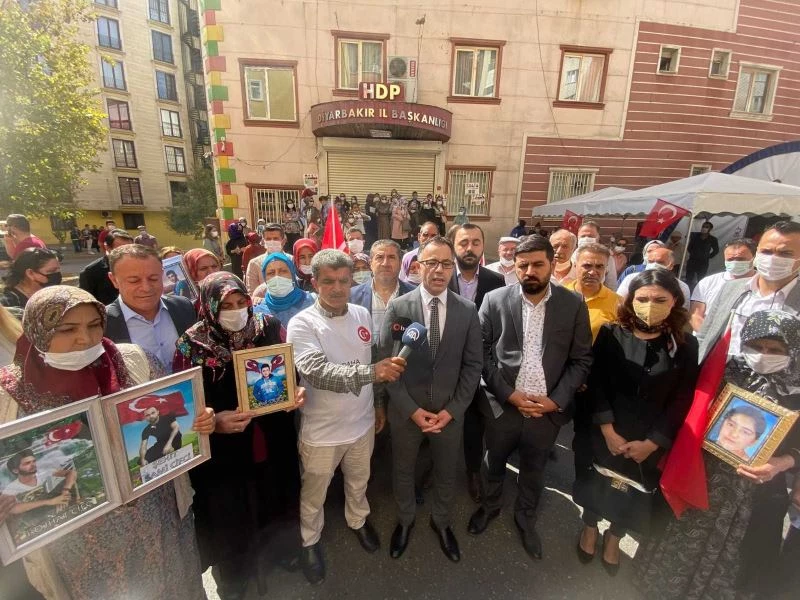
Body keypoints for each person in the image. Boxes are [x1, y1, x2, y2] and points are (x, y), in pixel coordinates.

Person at [0, 286, 213, 600]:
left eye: (94, 325)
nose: (84, 339)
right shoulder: (8, 395)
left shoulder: (133, 361)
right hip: (76, 543)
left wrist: (200, 420)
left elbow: (174, 412)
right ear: (37, 331)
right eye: (67, 329)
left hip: (157, 520)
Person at [636, 309, 800, 599]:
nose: (763, 355)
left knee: (733, 556)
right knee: (678, 535)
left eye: (775, 349)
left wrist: (781, 463)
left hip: (753, 492)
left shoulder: (796, 390)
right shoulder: (725, 368)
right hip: (702, 473)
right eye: (756, 346)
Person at [174, 272, 303, 598]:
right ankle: (234, 577)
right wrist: (214, 420)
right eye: (226, 306)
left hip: (272, 437)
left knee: (275, 495)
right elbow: (183, 403)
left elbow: (291, 372)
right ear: (209, 307)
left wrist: (294, 392)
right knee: (229, 513)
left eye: (240, 302)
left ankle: (279, 553)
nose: (235, 311)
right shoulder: (192, 345)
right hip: (223, 450)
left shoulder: (267, 327)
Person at [467, 235, 593, 562]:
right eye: (523, 265)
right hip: (503, 405)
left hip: (546, 412)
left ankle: (525, 518)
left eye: (538, 264)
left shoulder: (573, 304)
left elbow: (581, 360)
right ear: (515, 267)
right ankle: (490, 506)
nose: (530, 272)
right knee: (493, 462)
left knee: (534, 470)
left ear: (552, 264)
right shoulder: (495, 300)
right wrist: (508, 394)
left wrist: (556, 401)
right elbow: (481, 354)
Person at [287, 250, 406, 584]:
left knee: (358, 481)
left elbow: (374, 359)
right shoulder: (302, 323)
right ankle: (309, 541)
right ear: (314, 283)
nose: (337, 288)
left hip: (362, 424)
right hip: (322, 431)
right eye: (329, 281)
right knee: (314, 494)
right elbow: (317, 373)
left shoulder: (361, 313)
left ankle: (358, 520)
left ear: (352, 280)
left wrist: (378, 404)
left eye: (343, 280)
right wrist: (372, 373)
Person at [574, 269, 698, 573]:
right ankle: (589, 526)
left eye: (659, 299)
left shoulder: (685, 345)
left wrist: (654, 442)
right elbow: (596, 382)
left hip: (649, 438)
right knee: (594, 483)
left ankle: (615, 536)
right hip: (605, 430)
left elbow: (683, 398)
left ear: (674, 301)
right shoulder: (611, 333)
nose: (650, 305)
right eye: (642, 299)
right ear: (631, 301)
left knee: (632, 490)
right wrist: (607, 429)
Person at [378, 236, 483, 563]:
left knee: (446, 472)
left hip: (449, 414)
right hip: (407, 412)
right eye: (432, 262)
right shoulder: (399, 307)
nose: (439, 270)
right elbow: (387, 364)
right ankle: (405, 520)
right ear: (418, 265)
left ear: (453, 268)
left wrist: (453, 410)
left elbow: (473, 366)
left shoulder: (467, 310)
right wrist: (411, 410)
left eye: (446, 264)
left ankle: (442, 522)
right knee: (403, 469)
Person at [448, 224, 505, 502]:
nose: (469, 248)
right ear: (453, 246)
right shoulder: (441, 275)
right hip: (444, 363)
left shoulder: (496, 281)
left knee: (473, 421)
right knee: (442, 418)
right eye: (463, 243)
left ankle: (472, 471)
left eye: (475, 242)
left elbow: (497, 327)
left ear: (483, 246)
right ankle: (435, 468)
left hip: (478, 365)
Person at [697, 221, 800, 361]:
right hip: (718, 371)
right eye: (766, 252)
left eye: (785, 253)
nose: (773, 259)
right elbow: (705, 335)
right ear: (757, 253)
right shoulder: (731, 288)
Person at [105, 245, 197, 373]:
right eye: (134, 281)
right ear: (114, 280)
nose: (146, 288)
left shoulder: (183, 307)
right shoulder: (102, 323)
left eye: (153, 279)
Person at [350, 240, 415, 344]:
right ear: (371, 263)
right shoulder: (351, 296)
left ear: (400, 263)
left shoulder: (414, 295)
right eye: (380, 257)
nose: (385, 263)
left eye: (391, 257)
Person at [689, 238, 756, 332]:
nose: (735, 262)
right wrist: (707, 338)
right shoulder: (707, 282)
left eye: (740, 259)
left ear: (754, 258)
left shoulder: (764, 284)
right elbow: (695, 315)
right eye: (730, 259)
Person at [252, 253, 315, 327]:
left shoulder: (312, 301)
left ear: (292, 274)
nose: (277, 277)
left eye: (283, 271)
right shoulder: (257, 310)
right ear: (265, 278)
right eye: (271, 273)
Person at [617, 247, 691, 310]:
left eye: (660, 262)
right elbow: (619, 303)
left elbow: (683, 311)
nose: (654, 265)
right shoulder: (631, 279)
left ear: (671, 265)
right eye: (650, 262)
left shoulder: (682, 286)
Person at [78, 229, 134, 305]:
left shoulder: (140, 266)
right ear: (107, 247)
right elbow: (86, 305)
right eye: (121, 249)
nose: (127, 253)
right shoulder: (90, 272)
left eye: (130, 249)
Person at [245, 223, 288, 294]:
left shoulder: (292, 260)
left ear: (283, 241)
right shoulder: (254, 264)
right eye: (268, 239)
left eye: (275, 239)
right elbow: (252, 294)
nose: (272, 242)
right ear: (263, 241)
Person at [574, 222, 618, 290]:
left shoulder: (607, 257)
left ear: (598, 237)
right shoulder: (571, 255)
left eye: (590, 236)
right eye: (583, 236)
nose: (586, 238)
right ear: (578, 237)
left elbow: (611, 284)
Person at [685, 221, 720, 290]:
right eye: (703, 226)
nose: (704, 228)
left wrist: (708, 256)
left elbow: (716, 250)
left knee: (701, 280)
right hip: (692, 261)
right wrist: (694, 254)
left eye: (706, 227)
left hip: (703, 262)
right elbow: (689, 248)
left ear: (710, 229)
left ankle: (698, 293)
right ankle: (687, 292)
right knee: (688, 278)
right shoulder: (694, 236)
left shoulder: (713, 239)